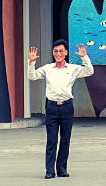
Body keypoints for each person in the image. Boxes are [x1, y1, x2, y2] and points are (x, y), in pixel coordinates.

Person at [28, 39, 93, 178]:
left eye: (61, 51)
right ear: (53, 53)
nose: (58, 54)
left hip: (67, 107)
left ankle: (62, 169)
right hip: (51, 107)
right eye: (56, 51)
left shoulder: (73, 69)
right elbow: (32, 76)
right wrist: (31, 62)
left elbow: (89, 71)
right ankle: (49, 171)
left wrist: (84, 57)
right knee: (51, 140)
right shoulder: (47, 69)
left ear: (66, 53)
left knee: (65, 139)